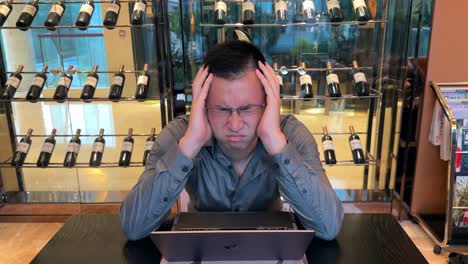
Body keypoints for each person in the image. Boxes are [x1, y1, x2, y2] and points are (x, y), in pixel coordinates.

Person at [120, 40, 344, 241]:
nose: (235, 124)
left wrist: (275, 142)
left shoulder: (289, 134)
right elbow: (133, 227)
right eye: (221, 109)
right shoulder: (181, 133)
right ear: (203, 103)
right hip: (201, 247)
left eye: (247, 108)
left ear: (268, 101)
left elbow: (328, 226)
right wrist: (191, 143)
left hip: (270, 247)